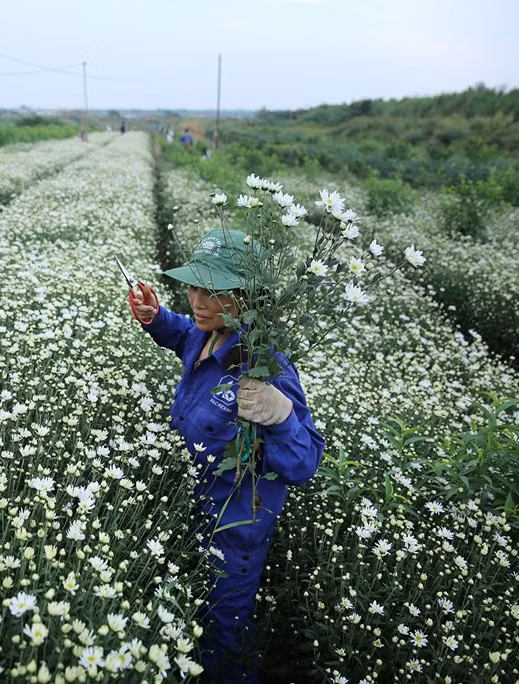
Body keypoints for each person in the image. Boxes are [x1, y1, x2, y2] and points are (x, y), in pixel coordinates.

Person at [127, 229, 324, 682]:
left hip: (235, 528)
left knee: (223, 639)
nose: (196, 299)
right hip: (188, 511)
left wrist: (281, 415)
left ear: (246, 298)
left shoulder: (264, 362)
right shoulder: (207, 334)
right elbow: (182, 335)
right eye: (193, 285)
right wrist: (155, 317)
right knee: (187, 618)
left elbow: (305, 461)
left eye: (211, 291)